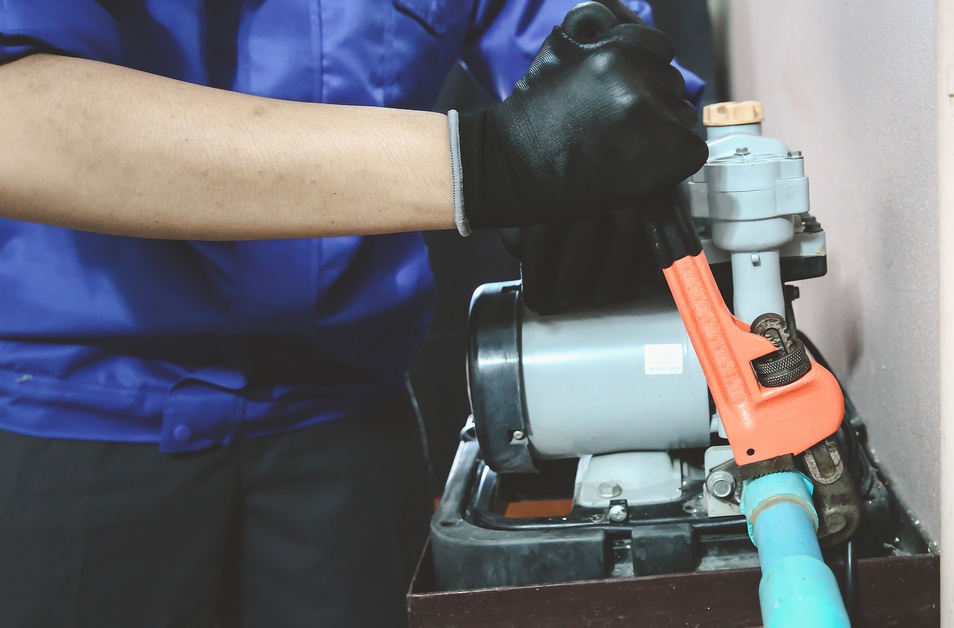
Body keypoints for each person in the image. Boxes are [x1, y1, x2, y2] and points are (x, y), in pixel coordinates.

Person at [0, 1, 708, 626]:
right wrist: (487, 163)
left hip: (347, 433)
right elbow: (16, 117)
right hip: (77, 425)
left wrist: (614, 87)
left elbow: (545, 23)